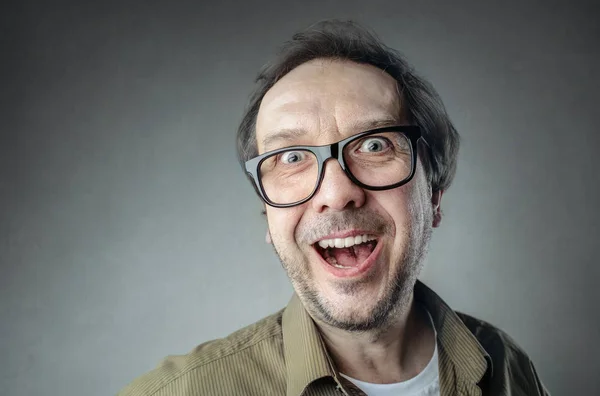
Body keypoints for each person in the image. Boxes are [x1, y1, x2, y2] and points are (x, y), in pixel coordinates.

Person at [119, 20, 549, 396]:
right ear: (267, 215)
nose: (335, 192)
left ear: (434, 194)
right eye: (291, 157)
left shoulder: (506, 366)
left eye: (375, 145)